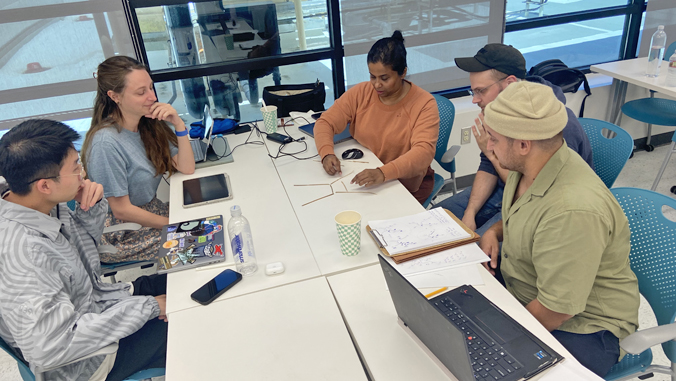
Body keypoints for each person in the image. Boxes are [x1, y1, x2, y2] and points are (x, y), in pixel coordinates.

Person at [477, 82, 639, 377]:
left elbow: (557, 309)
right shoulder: (533, 166)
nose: (488, 147)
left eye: (493, 139)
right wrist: (495, 232)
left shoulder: (572, 210)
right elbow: (530, 214)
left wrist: (500, 341)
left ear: (523, 145)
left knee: (491, 366)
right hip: (529, 288)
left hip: (584, 326)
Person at [0, 119, 168, 381]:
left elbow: (85, 261)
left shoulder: (38, 202)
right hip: (87, 359)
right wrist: (149, 308)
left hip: (100, 304)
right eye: (76, 166)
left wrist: (92, 205)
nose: (83, 172)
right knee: (193, 319)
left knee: (182, 277)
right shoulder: (24, 255)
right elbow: (52, 347)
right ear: (45, 185)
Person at [436, 43, 593, 235]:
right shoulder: (498, 113)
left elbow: (536, 198)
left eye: (481, 91)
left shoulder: (555, 127)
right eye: (473, 92)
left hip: (536, 206)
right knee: (434, 221)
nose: (475, 100)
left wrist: (490, 153)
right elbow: (488, 165)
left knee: (476, 251)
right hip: (503, 189)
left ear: (509, 84)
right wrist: (470, 212)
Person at [82, 56, 195, 263]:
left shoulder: (146, 124)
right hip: (121, 233)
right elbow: (121, 210)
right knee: (199, 241)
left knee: (207, 218)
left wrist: (178, 124)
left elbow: (186, 168)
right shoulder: (105, 143)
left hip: (150, 213)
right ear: (114, 96)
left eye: (151, 88)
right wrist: (172, 224)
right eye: (141, 92)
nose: (152, 97)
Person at [314, 30, 439, 204]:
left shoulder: (424, 104)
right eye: (372, 76)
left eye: (384, 78)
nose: (376, 84)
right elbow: (325, 122)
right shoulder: (362, 92)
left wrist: (383, 173)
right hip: (366, 174)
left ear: (403, 73)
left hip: (403, 185)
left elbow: (423, 154)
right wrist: (326, 154)